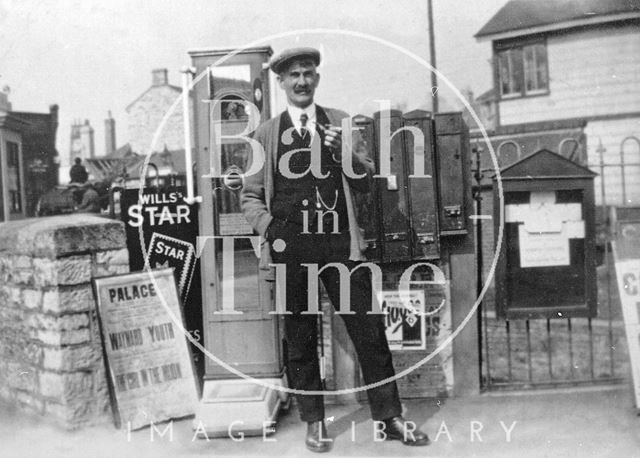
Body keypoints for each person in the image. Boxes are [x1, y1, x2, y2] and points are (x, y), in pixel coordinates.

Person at [240, 47, 430, 452]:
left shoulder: (340, 122)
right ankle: (315, 422)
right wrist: (272, 229)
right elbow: (250, 197)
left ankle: (390, 418)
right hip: (291, 248)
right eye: (293, 76)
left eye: (308, 73)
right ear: (282, 83)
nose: (302, 81)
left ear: (317, 78)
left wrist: (341, 151)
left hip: (342, 246)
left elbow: (364, 182)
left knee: (370, 331)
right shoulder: (265, 135)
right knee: (301, 337)